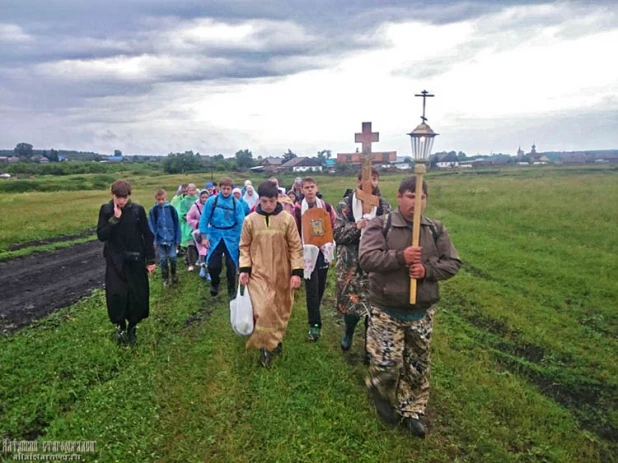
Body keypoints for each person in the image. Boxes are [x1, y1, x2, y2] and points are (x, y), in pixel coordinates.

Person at [359, 176, 462, 438]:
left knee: (416, 367)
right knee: (387, 363)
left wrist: (427, 270)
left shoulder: (435, 229)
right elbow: (367, 259)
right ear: (399, 197)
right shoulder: (380, 225)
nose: (416, 201)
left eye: (421, 197)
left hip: (421, 311)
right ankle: (380, 390)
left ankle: (412, 411)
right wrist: (400, 257)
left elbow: (453, 263)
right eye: (410, 195)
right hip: (387, 309)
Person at [239, 180, 304, 367]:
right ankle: (265, 349)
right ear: (259, 200)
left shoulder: (287, 219)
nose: (268, 205)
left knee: (279, 309)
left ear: (278, 199)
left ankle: (275, 339)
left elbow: (295, 247)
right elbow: (244, 246)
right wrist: (245, 269)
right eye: (265, 201)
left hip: (282, 273)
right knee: (263, 310)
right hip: (258, 274)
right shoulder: (250, 220)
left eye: (272, 201)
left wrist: (296, 272)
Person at [334, 168, 391, 360]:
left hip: (375, 265)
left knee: (373, 307)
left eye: (374, 179)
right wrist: (357, 227)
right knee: (351, 305)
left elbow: (391, 235)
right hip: (350, 264)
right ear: (358, 180)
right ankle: (349, 332)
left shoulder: (384, 206)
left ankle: (369, 342)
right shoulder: (346, 204)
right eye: (367, 179)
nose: (371, 183)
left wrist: (375, 228)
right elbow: (337, 234)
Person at [97, 180, 155, 346]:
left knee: (136, 295)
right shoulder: (106, 210)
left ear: (129, 195)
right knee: (117, 294)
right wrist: (115, 219)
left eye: (124, 197)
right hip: (115, 262)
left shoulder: (137, 210)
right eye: (118, 197)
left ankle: (132, 327)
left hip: (136, 259)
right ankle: (120, 325)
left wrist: (150, 260)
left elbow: (147, 235)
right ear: (112, 194)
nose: (121, 201)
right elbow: (101, 235)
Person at [293, 177, 336, 341]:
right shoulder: (297, 209)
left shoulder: (326, 207)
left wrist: (329, 247)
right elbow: (294, 231)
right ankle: (315, 325)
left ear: (316, 188)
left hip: (323, 251)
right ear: (301, 190)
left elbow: (332, 225)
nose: (310, 190)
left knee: (320, 288)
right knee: (311, 288)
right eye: (306, 187)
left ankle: (314, 311)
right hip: (307, 253)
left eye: (312, 187)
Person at [199, 177, 246, 298]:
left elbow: (241, 222)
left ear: (232, 189)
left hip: (231, 237)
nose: (226, 191)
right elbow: (204, 218)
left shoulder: (236, 203)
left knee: (231, 264)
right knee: (213, 264)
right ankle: (215, 283)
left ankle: (231, 289)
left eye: (228, 189)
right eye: (224, 188)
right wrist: (204, 236)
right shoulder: (211, 201)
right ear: (219, 188)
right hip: (215, 235)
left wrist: (240, 238)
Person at [148, 189, 182, 287]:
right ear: (156, 199)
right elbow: (151, 226)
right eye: (159, 200)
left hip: (171, 239)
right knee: (163, 259)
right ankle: (165, 277)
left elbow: (177, 224)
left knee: (173, 257)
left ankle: (174, 274)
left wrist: (178, 239)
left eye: (163, 199)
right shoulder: (153, 210)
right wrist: (153, 241)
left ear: (166, 198)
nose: (161, 202)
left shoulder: (171, 209)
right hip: (160, 239)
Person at [186, 189, 210, 279]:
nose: (204, 199)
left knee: (209, 250)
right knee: (202, 251)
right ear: (200, 197)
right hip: (199, 232)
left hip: (210, 231)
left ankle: (209, 271)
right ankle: (203, 268)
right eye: (203, 197)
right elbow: (189, 217)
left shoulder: (211, 206)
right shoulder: (195, 206)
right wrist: (197, 223)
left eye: (206, 197)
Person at [179, 183, 199, 271]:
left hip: (197, 225)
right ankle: (191, 263)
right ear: (187, 191)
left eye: (193, 190)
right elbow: (180, 213)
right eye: (189, 190)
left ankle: (199, 260)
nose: (191, 192)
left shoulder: (198, 200)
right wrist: (186, 217)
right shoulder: (183, 201)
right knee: (190, 245)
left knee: (198, 244)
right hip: (188, 226)